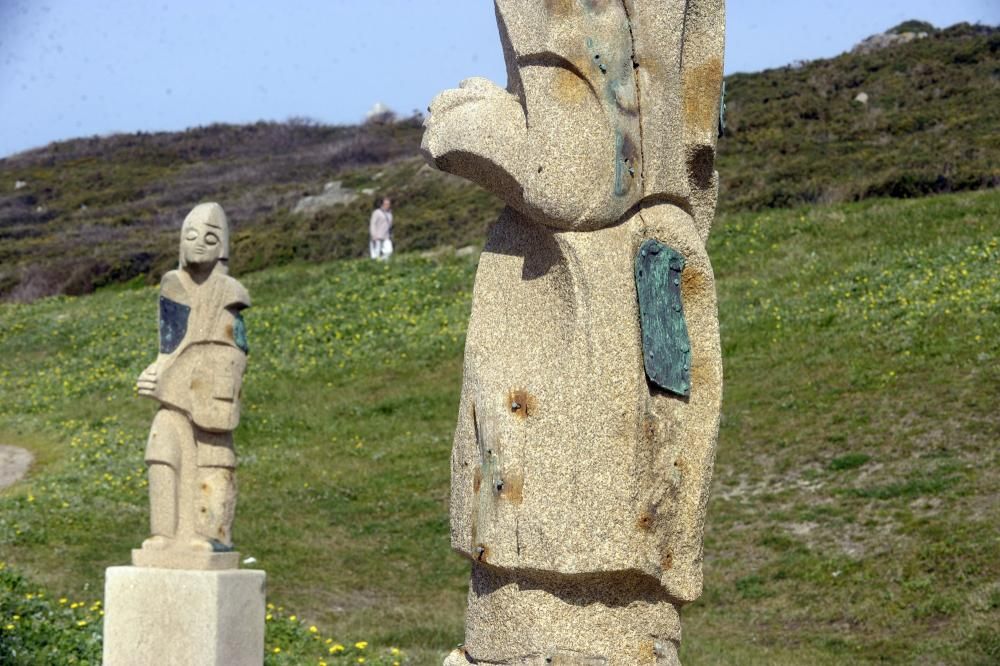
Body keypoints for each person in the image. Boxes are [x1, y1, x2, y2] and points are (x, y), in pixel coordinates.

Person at [135, 202, 250, 558]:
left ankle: (209, 534)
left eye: (210, 237)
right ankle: (163, 534)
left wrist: (184, 381)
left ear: (223, 248)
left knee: (213, 461)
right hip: (174, 401)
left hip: (208, 405)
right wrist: (155, 373)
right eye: (191, 234)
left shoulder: (230, 294)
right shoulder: (173, 286)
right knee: (161, 446)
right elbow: (169, 348)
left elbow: (231, 356)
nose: (199, 242)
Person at [368, 196, 393, 260]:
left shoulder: (389, 214)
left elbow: (390, 225)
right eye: (386, 204)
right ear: (382, 204)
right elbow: (372, 224)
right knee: (376, 254)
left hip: (386, 236)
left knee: (389, 251)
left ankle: (383, 262)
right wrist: (373, 235)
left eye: (388, 204)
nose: (387, 205)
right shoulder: (377, 212)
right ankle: (377, 265)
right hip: (377, 236)